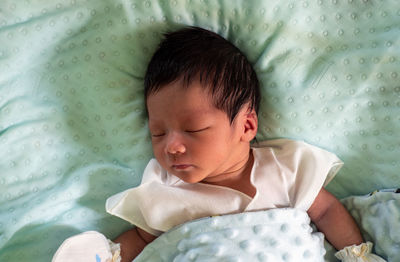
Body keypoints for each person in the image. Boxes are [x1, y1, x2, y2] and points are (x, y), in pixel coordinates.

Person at [52, 26, 385, 262]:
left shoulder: (284, 169)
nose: (171, 146)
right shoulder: (165, 193)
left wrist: (357, 254)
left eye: (193, 129)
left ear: (247, 126)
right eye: (157, 132)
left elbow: (326, 210)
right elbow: (141, 240)